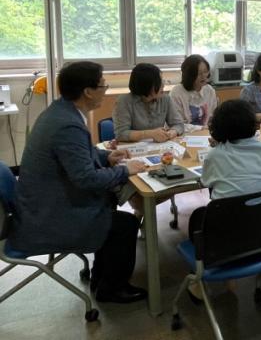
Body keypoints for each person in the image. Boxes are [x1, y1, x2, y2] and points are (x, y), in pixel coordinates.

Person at [9, 61, 148, 303]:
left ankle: (101, 277)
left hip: (39, 204)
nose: (105, 90)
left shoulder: (60, 112)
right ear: (88, 92)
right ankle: (112, 288)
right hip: (48, 216)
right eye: (103, 85)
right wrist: (125, 171)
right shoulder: (68, 124)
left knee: (110, 202)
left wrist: (106, 157)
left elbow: (79, 156)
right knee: (125, 224)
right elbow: (86, 178)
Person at [186, 99, 261, 301]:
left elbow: (206, 182)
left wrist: (220, 148)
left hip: (224, 243)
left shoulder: (215, 156)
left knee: (199, 216)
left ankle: (199, 283)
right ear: (254, 125)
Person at [113, 63, 184, 142]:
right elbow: (121, 134)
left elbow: (178, 124)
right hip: (134, 147)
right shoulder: (124, 101)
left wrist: (170, 133)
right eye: (159, 82)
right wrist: (150, 134)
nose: (163, 85)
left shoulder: (165, 99)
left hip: (159, 146)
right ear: (147, 85)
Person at [170, 54, 218, 128]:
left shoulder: (209, 90)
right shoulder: (176, 92)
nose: (203, 76)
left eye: (205, 71)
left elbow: (213, 118)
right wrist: (201, 128)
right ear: (189, 75)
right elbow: (176, 124)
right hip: (183, 133)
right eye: (199, 73)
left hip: (204, 133)